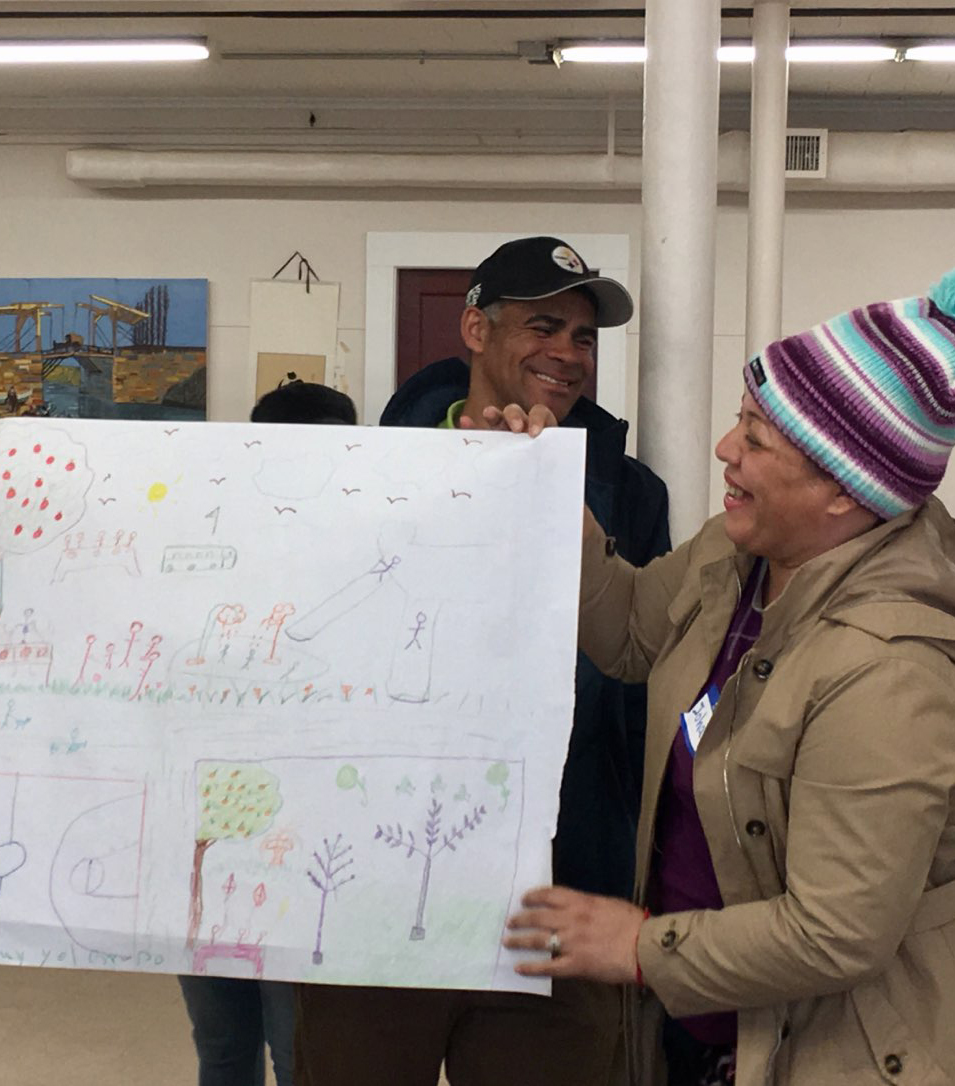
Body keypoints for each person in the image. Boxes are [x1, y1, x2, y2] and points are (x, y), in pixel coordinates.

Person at [503, 267, 955, 1085]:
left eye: (757, 438)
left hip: (835, 1048)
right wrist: (557, 513)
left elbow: (837, 932)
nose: (726, 449)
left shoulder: (889, 673)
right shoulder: (739, 553)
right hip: (700, 1014)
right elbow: (627, 634)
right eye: (740, 421)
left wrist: (634, 944)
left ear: (842, 489)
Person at [293, 237, 670, 1085]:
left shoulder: (632, 495)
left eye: (584, 337)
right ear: (473, 327)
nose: (568, 354)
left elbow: (640, 676)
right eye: (545, 326)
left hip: (554, 898)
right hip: (373, 898)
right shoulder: (356, 475)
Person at [176, 379, 357, 1086]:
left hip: (300, 838)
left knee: (296, 1048)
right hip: (206, 828)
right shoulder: (211, 548)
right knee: (227, 1045)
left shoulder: (352, 559)